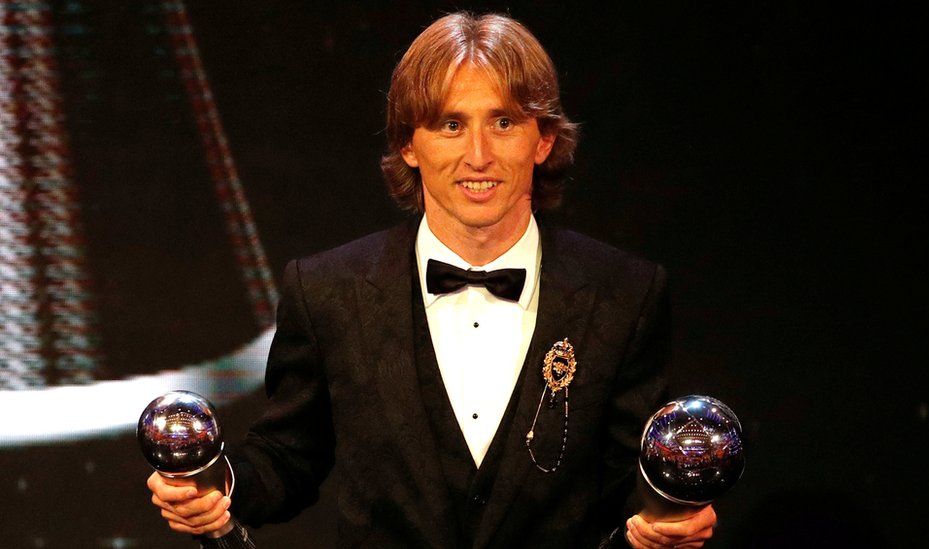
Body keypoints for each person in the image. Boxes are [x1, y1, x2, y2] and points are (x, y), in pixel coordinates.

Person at [147, 12, 718, 549]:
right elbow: (288, 457)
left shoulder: (624, 293)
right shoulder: (327, 291)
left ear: (543, 140)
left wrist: (662, 518)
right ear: (407, 143)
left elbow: (631, 478)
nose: (478, 155)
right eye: (450, 124)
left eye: (503, 122)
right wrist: (216, 483)